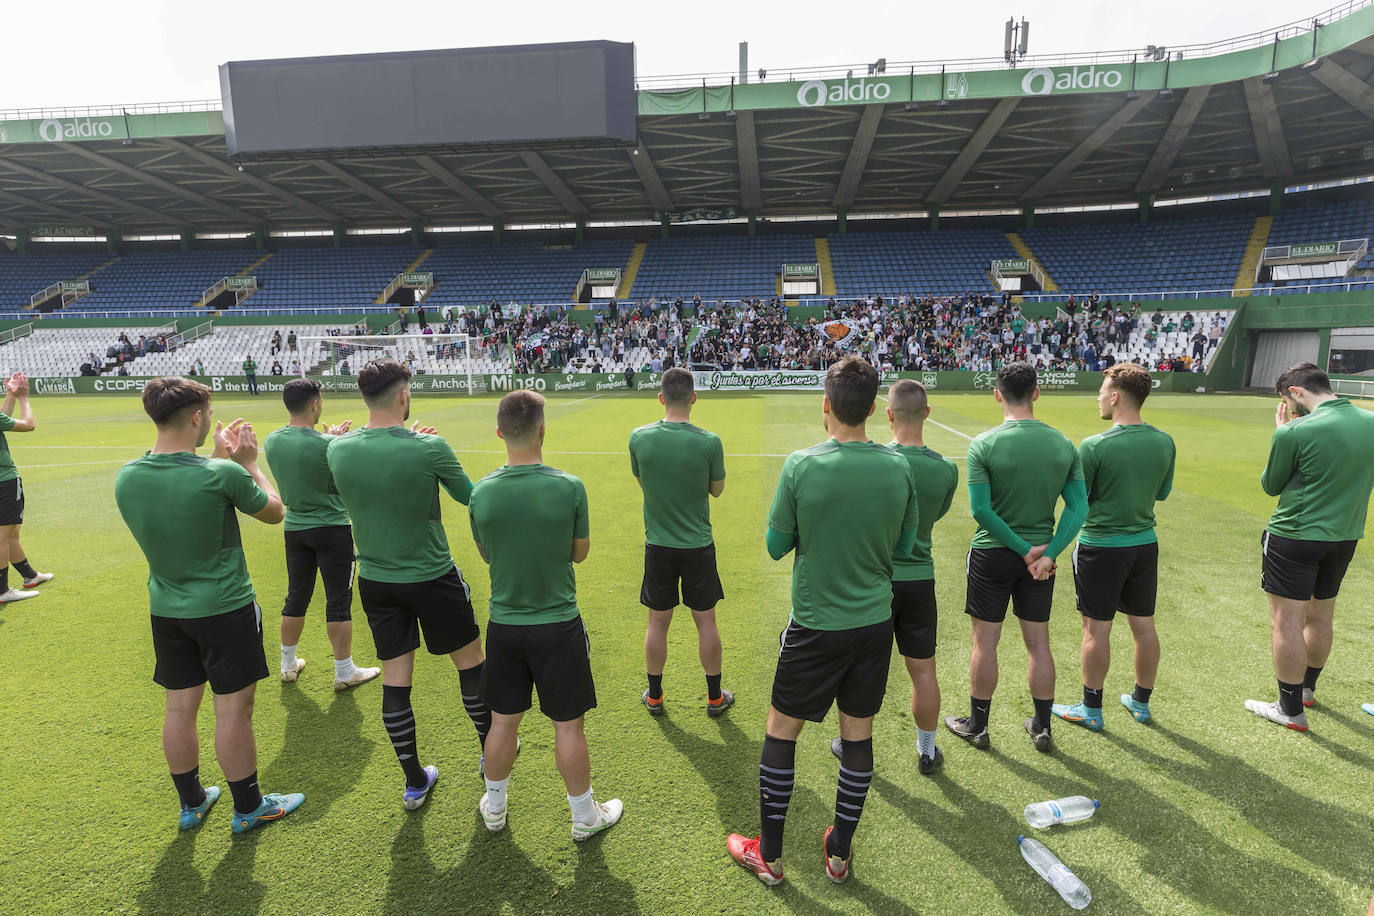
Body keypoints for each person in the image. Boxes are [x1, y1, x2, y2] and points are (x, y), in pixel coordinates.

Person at [727, 356, 918, 886]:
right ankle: (838, 852)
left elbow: (773, 546)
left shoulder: (802, 465)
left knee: (781, 731)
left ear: (826, 405)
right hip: (874, 625)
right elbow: (904, 546)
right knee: (857, 737)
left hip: (815, 624)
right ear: (875, 410)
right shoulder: (898, 466)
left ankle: (769, 854)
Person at [114, 377, 304, 833]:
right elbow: (277, 511)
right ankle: (249, 807)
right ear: (198, 417)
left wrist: (220, 459)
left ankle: (192, 802)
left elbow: (190, 494)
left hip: (167, 610)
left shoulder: (129, 475)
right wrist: (250, 463)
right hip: (225, 609)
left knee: (179, 708)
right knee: (233, 711)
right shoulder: (223, 474)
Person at [326, 358, 491, 809]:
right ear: (404, 395)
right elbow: (473, 498)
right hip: (433, 576)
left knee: (396, 680)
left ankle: (415, 780)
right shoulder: (428, 449)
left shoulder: (336, 449)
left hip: (377, 580)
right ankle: (490, 755)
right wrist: (429, 449)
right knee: (471, 665)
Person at [469, 390, 623, 840]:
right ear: (543, 429)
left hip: (505, 627)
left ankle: (494, 809)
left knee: (502, 723)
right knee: (568, 726)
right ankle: (584, 816)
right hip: (557, 626)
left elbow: (486, 553)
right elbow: (580, 554)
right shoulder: (569, 487)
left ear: (500, 432)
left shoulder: (481, 492)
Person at [945, 362, 1086, 753]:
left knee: (984, 643)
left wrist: (1022, 550)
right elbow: (1078, 507)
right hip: (1041, 563)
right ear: (1037, 393)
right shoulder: (1063, 445)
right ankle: (1042, 727)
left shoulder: (983, 445)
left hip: (993, 554)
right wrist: (1047, 553)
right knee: (1038, 643)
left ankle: (978, 725)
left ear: (997, 394)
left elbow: (981, 511)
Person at [831, 379, 957, 775]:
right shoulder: (945, 469)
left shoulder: (876, 462)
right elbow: (932, 517)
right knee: (923, 671)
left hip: (875, 579)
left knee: (858, 669)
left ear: (887, 413)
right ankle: (926, 750)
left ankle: (853, 747)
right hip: (920, 579)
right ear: (927, 412)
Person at [1246, 362, 1374, 731]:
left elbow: (1271, 484)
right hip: (1345, 536)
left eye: (1288, 399)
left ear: (1296, 392)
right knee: (1321, 615)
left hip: (1295, 535)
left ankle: (1289, 709)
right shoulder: (1369, 422)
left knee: (1286, 621)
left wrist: (1282, 431)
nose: (1289, 406)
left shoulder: (1296, 430)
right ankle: (1305, 691)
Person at [1050, 364, 1174, 732]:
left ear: (1116, 396)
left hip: (1101, 547)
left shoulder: (1095, 445)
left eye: (1102, 391)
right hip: (1144, 545)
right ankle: (1140, 702)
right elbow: (1162, 493)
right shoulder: (1164, 441)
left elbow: (1079, 500)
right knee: (1144, 626)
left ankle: (1091, 708)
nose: (1099, 397)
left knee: (1095, 630)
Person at [263, 379, 380, 692]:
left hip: (295, 530)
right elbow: (346, 479)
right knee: (338, 601)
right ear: (315, 404)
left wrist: (329, 438)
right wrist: (334, 441)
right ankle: (344, 670)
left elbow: (306, 460)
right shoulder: (328, 445)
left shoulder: (272, 440)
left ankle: (288, 664)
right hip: (332, 528)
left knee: (296, 596)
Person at [628, 367, 730, 717]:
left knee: (657, 622)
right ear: (693, 398)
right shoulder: (709, 441)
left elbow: (643, 481)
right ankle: (715, 697)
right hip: (697, 545)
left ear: (660, 398)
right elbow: (716, 490)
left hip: (658, 545)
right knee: (706, 622)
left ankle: (655, 695)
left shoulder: (639, 437)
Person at [0, 374, 50, 603]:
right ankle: (2, 590)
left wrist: (10, 394)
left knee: (11, 533)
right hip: (4, 480)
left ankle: (30, 576)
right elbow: (29, 425)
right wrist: (23, 398)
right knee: (3, 535)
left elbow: (3, 417)